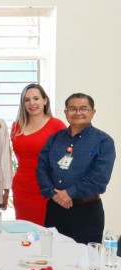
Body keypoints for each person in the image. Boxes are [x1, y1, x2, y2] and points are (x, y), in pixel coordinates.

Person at [37, 93, 116, 244]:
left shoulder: (104, 141)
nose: (78, 112)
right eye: (72, 109)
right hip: (55, 208)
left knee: (85, 256)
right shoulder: (54, 139)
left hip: (86, 212)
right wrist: (54, 194)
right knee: (52, 253)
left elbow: (99, 178)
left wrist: (69, 193)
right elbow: (42, 167)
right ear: (66, 112)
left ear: (93, 112)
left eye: (83, 108)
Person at [11, 83, 66, 225]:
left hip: (47, 188)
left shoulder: (57, 125)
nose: (32, 103)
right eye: (27, 100)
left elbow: (67, 159)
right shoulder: (16, 126)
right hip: (22, 187)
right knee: (23, 229)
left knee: (45, 231)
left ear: (45, 100)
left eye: (36, 98)